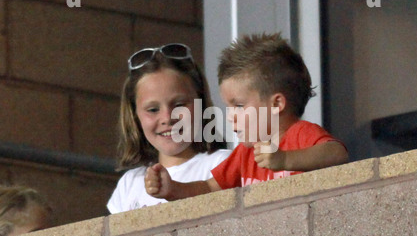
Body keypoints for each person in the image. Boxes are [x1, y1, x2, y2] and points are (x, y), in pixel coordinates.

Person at [144, 33, 349, 200]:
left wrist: (285, 158)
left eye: (239, 106)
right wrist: (173, 189)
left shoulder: (300, 134)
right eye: (228, 107)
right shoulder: (246, 152)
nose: (231, 116)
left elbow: (337, 153)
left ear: (277, 104)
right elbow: (211, 187)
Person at [107, 43, 231, 214]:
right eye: (153, 110)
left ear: (201, 103)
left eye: (179, 105)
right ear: (135, 115)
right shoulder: (129, 184)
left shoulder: (224, 163)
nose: (167, 118)